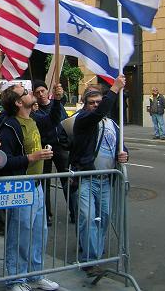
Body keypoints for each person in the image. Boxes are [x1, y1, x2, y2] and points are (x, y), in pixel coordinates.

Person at [0, 83, 63, 291]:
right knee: (20, 234)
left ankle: (35, 275)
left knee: (39, 233)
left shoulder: (33, 119)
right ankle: (16, 280)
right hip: (20, 187)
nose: (30, 93)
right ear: (18, 102)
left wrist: (57, 100)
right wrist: (32, 157)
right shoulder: (9, 127)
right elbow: (3, 161)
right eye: (25, 92)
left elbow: (52, 121)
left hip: (36, 185)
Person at [70, 76, 129, 276]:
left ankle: (95, 250)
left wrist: (125, 154)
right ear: (85, 105)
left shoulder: (112, 124)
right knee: (87, 217)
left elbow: (121, 146)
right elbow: (98, 113)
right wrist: (114, 88)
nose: (95, 105)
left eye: (98, 102)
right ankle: (90, 260)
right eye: (91, 102)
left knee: (103, 218)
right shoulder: (83, 120)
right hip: (87, 179)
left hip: (105, 181)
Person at [32, 80, 75, 226]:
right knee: (45, 181)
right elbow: (49, 121)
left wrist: (66, 140)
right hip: (44, 148)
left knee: (67, 180)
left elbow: (64, 121)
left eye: (42, 91)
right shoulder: (34, 111)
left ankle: (74, 211)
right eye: (37, 92)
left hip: (60, 147)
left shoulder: (58, 106)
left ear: (47, 91)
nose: (41, 94)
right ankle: (46, 214)